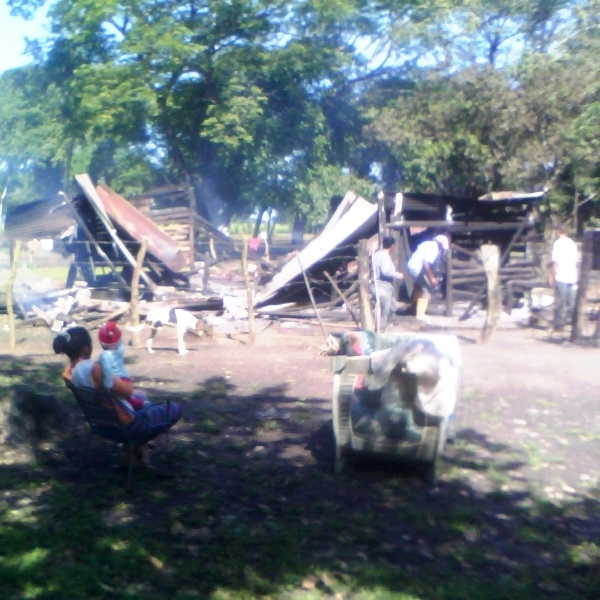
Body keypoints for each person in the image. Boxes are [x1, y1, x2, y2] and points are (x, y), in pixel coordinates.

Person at [53, 325, 183, 467]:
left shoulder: (69, 373)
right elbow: (127, 391)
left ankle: (138, 458)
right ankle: (135, 450)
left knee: (145, 404)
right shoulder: (96, 369)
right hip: (127, 428)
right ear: (86, 348)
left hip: (102, 424)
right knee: (176, 408)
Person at [98, 321, 150, 411]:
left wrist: (107, 386)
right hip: (125, 377)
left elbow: (107, 371)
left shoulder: (104, 356)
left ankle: (140, 404)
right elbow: (119, 341)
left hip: (118, 380)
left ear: (101, 341)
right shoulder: (120, 349)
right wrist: (114, 332)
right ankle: (140, 401)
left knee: (127, 399)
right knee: (127, 397)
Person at [407, 234, 449, 322]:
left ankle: (414, 307)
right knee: (426, 288)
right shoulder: (434, 249)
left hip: (412, 266)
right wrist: (432, 278)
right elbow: (426, 263)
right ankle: (420, 314)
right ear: (440, 244)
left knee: (419, 286)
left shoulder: (427, 243)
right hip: (418, 268)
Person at [548, 223, 578, 331]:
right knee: (571, 303)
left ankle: (559, 326)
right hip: (572, 276)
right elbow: (575, 262)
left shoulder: (558, 244)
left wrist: (551, 276)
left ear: (557, 231)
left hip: (561, 276)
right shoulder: (572, 243)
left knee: (560, 303)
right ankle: (573, 324)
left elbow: (555, 262)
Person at [371, 236, 404, 332]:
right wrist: (398, 275)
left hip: (382, 285)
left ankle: (379, 325)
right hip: (380, 284)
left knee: (392, 307)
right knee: (385, 308)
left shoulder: (378, 254)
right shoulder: (384, 256)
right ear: (392, 246)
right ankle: (380, 329)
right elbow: (385, 271)